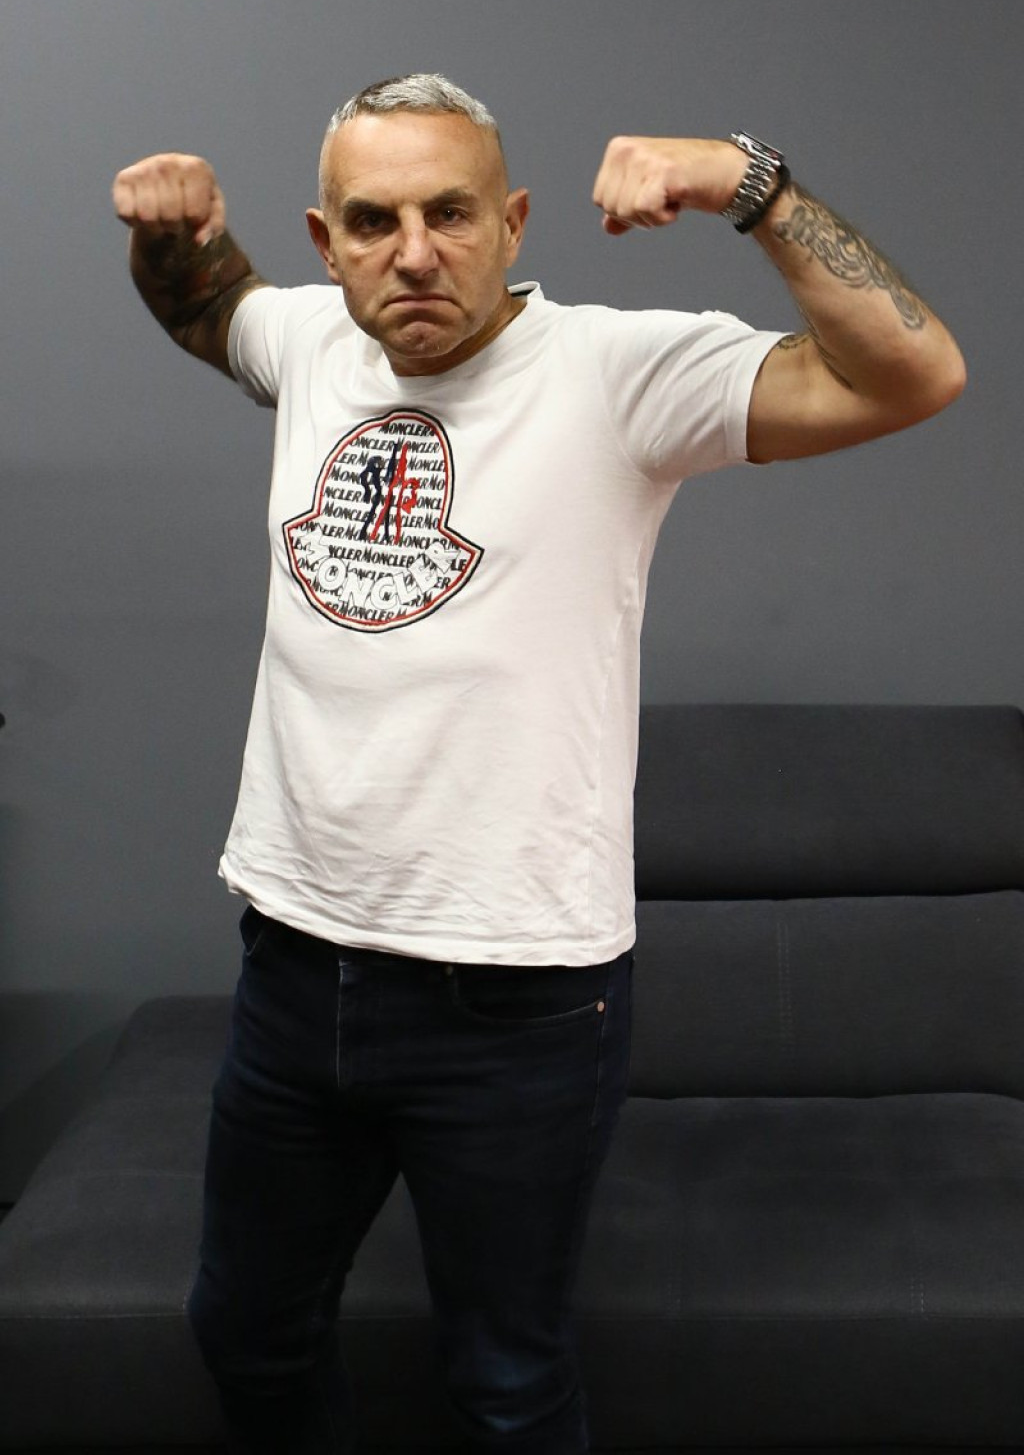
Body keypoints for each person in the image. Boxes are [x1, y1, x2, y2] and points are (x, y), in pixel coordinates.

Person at [111, 74, 965, 1455]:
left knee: (506, 1382)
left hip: (513, 1002)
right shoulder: (316, 342)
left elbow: (913, 374)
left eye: (451, 214)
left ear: (512, 223)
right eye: (374, 222)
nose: (415, 253)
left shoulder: (615, 374)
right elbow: (211, 308)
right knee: (247, 1329)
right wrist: (174, 237)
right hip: (295, 968)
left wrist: (750, 185)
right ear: (328, 244)